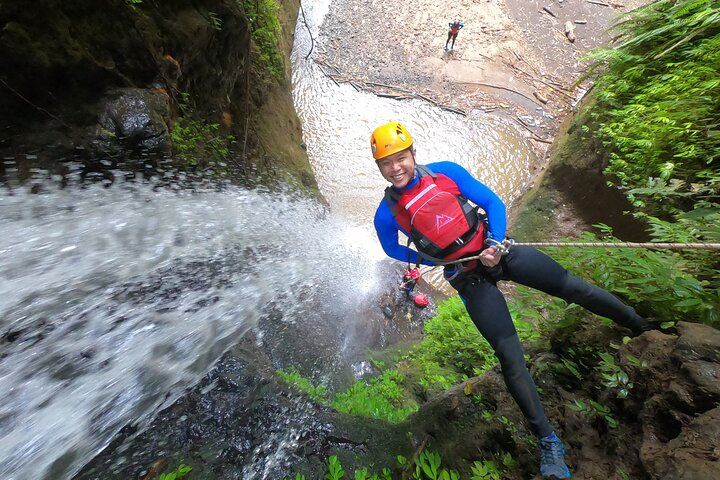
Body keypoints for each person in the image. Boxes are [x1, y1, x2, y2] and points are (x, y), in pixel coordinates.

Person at [370, 121, 655, 479]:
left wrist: (494, 242)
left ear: (414, 154)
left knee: (573, 287)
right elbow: (391, 247)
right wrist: (440, 260)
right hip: (466, 276)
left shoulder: (445, 174)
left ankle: (640, 326)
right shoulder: (386, 213)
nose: (396, 168)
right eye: (386, 163)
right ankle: (548, 441)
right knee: (509, 355)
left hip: (502, 253)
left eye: (401, 158)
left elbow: (491, 200)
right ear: (379, 167)